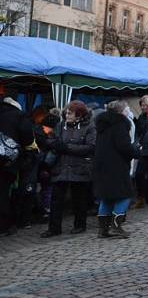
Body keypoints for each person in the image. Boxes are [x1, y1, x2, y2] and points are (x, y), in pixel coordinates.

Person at [40, 100, 96, 237]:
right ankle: (54, 228)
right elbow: (52, 140)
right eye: (66, 112)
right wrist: (54, 144)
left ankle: (80, 225)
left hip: (80, 167)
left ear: (79, 115)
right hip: (61, 166)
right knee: (56, 199)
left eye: (70, 113)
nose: (67, 115)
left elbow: (90, 147)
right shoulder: (60, 125)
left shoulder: (89, 127)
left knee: (79, 199)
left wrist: (67, 148)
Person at [93, 101, 141, 239]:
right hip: (116, 165)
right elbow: (124, 146)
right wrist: (136, 151)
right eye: (127, 109)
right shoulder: (120, 124)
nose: (128, 111)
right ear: (120, 112)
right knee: (125, 194)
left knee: (107, 196)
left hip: (102, 164)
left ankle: (103, 229)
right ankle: (115, 226)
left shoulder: (102, 123)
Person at [0, 96, 34, 235]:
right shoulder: (19, 116)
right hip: (6, 161)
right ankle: (2, 227)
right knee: (2, 193)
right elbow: (28, 139)